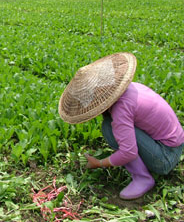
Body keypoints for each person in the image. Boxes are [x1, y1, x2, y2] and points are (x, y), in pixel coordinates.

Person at [58, 52, 184, 200]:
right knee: (113, 127)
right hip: (176, 146)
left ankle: (142, 178)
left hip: (165, 157)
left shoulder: (121, 110)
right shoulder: (133, 88)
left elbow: (128, 152)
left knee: (109, 129)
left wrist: (99, 163)